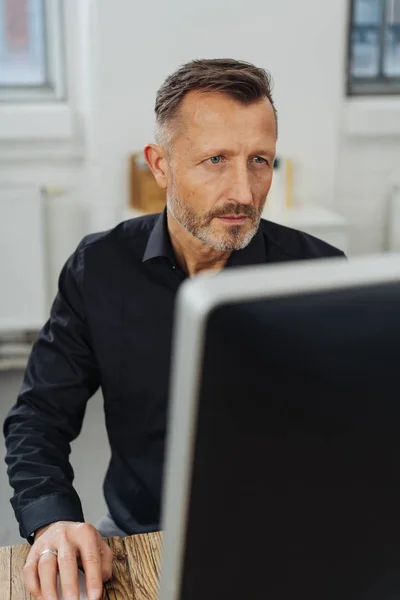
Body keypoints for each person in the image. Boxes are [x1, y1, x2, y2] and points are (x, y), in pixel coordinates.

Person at [3, 58, 345, 600]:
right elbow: (39, 417)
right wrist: (52, 523)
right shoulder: (99, 267)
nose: (243, 190)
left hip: (287, 540)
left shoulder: (322, 274)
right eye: (215, 160)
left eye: (260, 160)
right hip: (141, 533)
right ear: (160, 165)